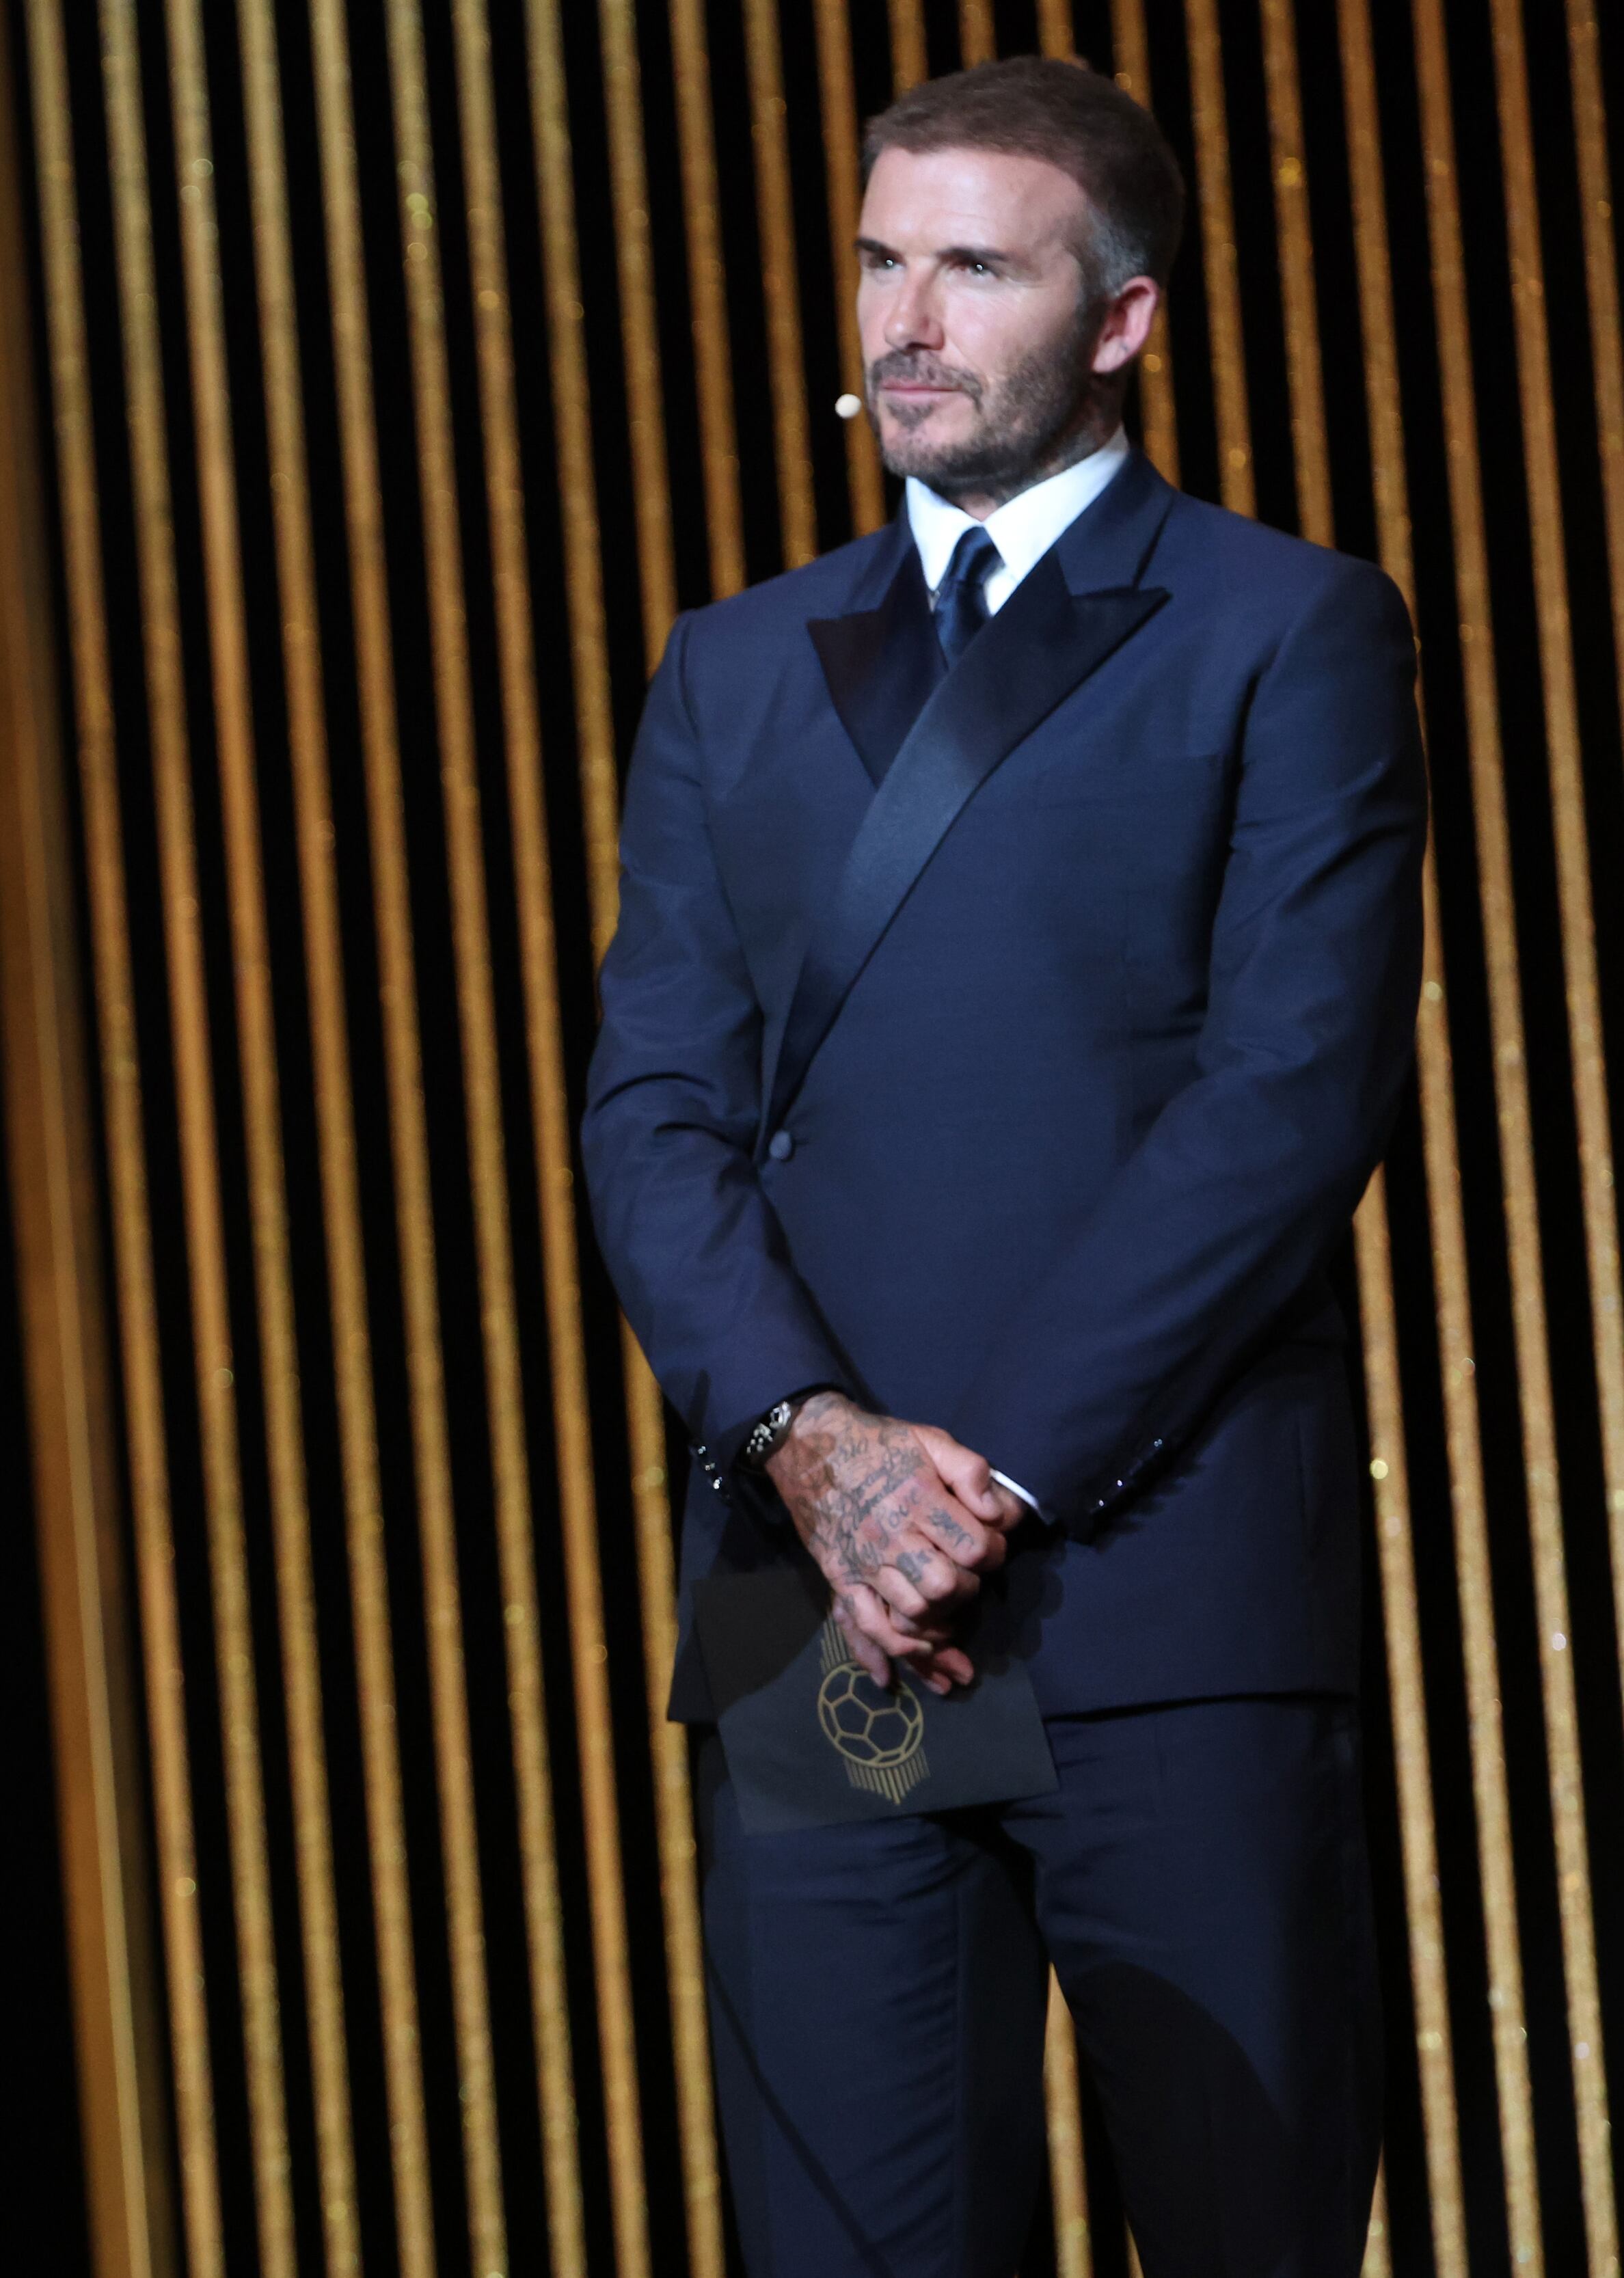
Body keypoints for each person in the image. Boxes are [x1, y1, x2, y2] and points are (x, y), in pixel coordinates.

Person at [581, 57, 1421, 2273]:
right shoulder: (734, 669)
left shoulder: (1289, 628)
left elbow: (1290, 1096)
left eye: (973, 265)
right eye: (878, 258)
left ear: (1122, 320)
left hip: (1161, 1583)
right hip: (823, 1617)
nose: (904, 323)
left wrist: (983, 1482)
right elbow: (653, 1107)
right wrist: (821, 1455)